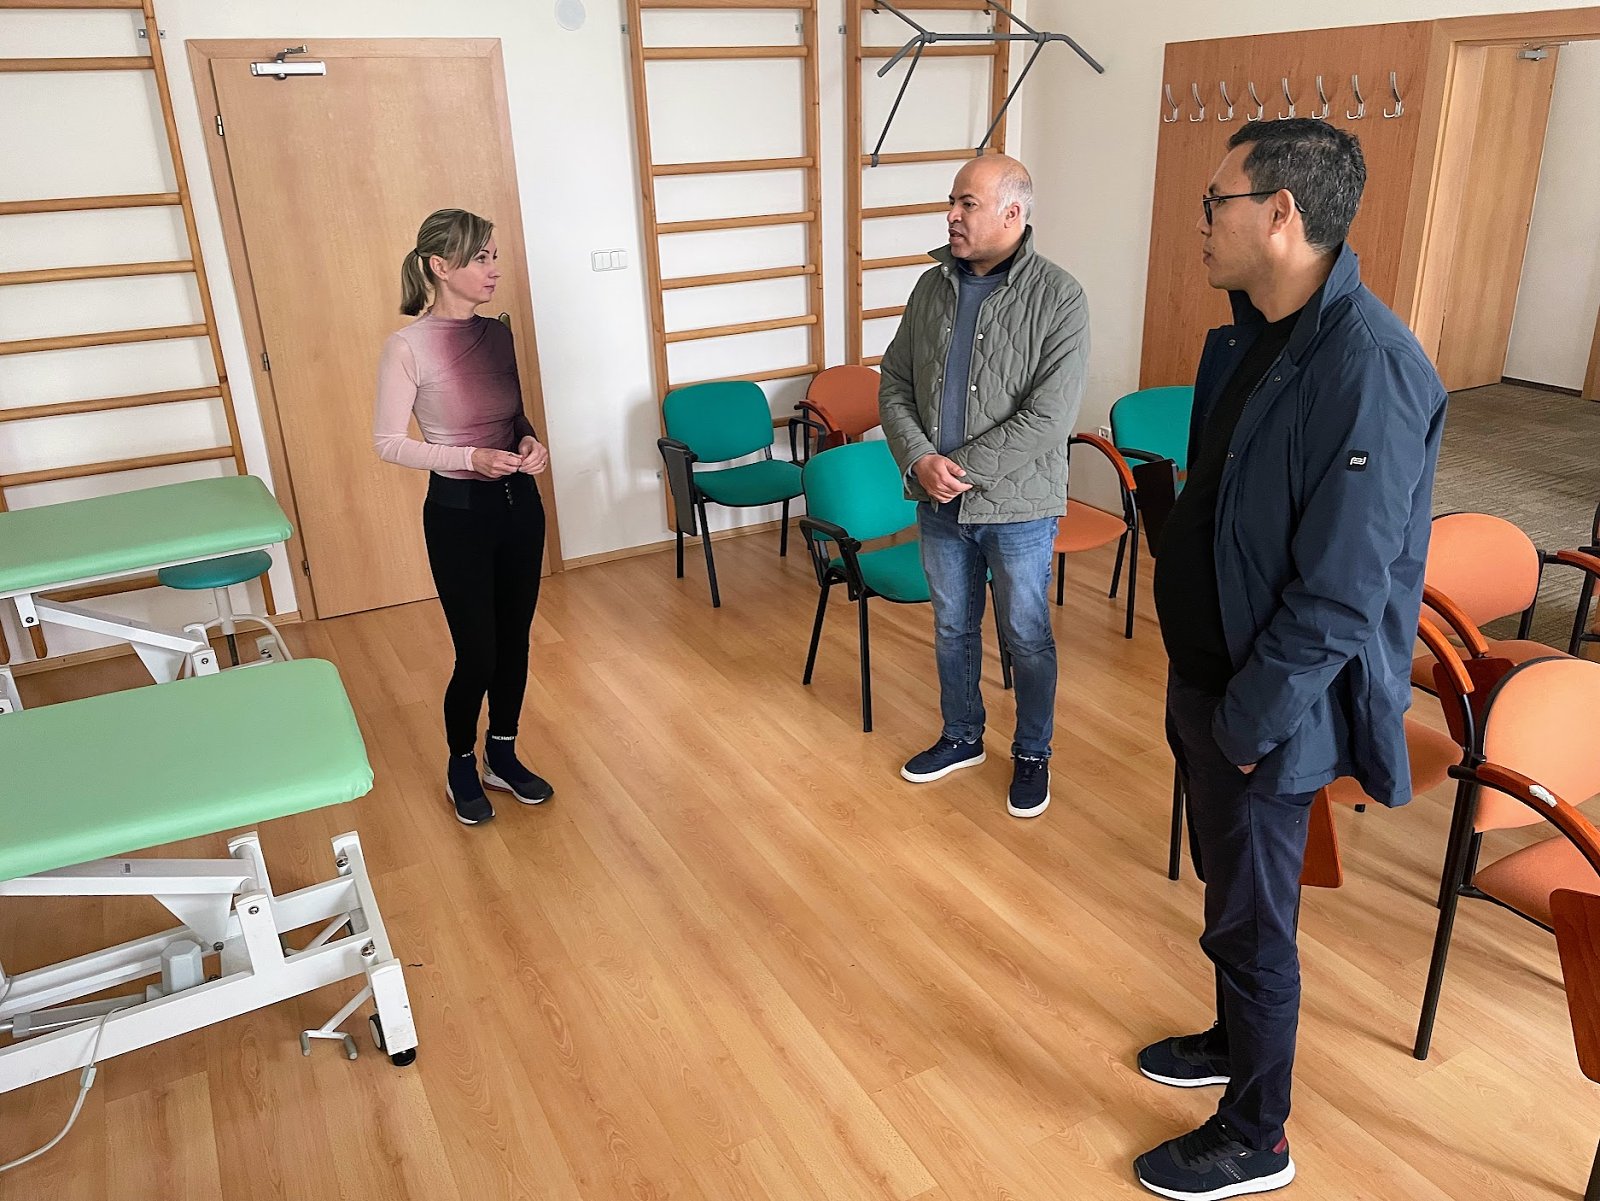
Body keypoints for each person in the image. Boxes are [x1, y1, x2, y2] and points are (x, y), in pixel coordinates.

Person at [1134, 120, 1447, 1199]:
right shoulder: (1246, 334)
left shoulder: (1370, 366)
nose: (1200, 224)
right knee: (1231, 898)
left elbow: (1341, 590)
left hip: (1268, 709)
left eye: (1214, 202)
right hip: (1209, 679)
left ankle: (1255, 1135)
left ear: (1280, 214)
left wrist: (1247, 724)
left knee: (1260, 921)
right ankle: (1231, 1041)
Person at [878, 153, 1089, 818]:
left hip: (1018, 506)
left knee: (1025, 634)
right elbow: (894, 382)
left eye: (966, 203)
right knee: (952, 628)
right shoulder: (930, 288)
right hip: (937, 499)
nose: (951, 215)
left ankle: (1032, 752)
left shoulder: (1060, 297)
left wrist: (955, 470)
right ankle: (962, 735)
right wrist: (919, 459)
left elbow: (1049, 418)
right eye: (953, 201)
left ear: (1011, 213)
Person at [372, 208, 554, 827]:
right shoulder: (407, 346)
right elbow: (388, 443)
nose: (494, 269)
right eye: (481, 258)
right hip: (459, 517)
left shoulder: (499, 334)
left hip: (520, 509)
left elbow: (513, 415)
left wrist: (529, 442)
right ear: (439, 266)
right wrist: (469, 458)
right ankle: (460, 762)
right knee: (477, 652)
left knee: (514, 642)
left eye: (494, 256)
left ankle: (502, 753)